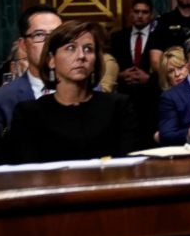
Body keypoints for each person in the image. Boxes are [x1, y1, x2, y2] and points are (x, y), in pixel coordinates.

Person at [8, 20, 139, 163]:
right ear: (51, 60)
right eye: (71, 48)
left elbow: (128, 165)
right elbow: (28, 173)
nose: (81, 56)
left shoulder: (119, 107)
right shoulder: (29, 114)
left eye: (88, 49)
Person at [0, 4, 64, 133]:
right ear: (23, 45)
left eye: (57, 35)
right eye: (39, 35)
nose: (50, 42)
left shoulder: (90, 91)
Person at [109, 0, 160, 143]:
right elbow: (111, 66)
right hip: (124, 96)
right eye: (136, 11)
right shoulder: (117, 37)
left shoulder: (158, 36)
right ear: (131, 13)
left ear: (150, 15)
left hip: (149, 99)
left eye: (144, 12)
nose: (140, 16)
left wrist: (149, 78)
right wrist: (120, 74)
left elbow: (165, 70)